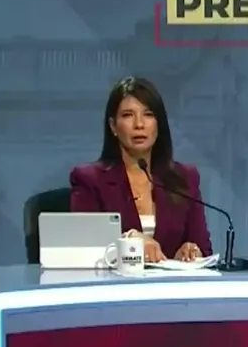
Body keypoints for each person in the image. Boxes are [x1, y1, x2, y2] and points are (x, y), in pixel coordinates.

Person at [70, 76, 212, 263]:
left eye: (148, 114)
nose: (139, 124)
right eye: (128, 115)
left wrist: (192, 251)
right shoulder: (89, 180)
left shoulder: (185, 178)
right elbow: (84, 248)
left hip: (172, 281)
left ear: (158, 124)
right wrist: (130, 241)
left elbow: (204, 248)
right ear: (113, 126)